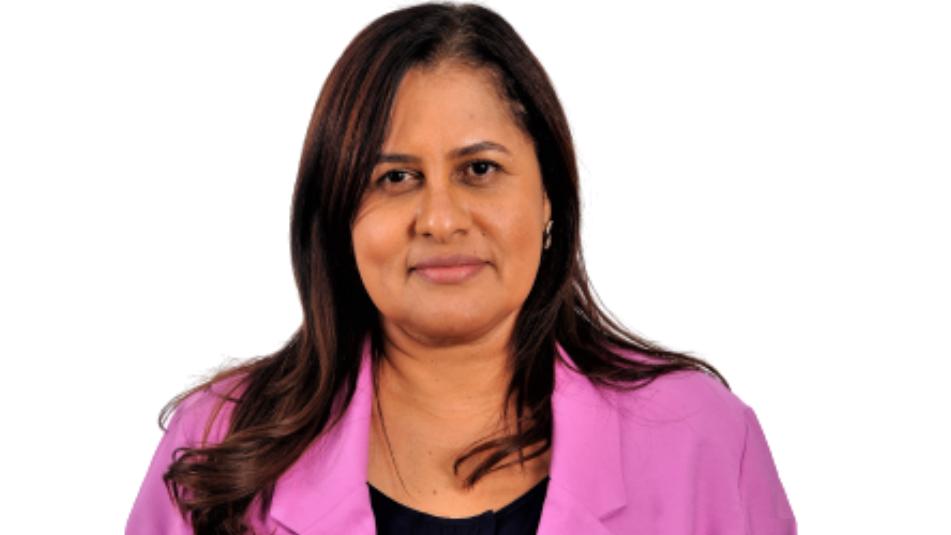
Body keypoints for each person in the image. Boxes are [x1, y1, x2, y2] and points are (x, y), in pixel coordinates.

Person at [126, 3, 797, 534]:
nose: (440, 220)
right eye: (395, 177)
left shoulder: (703, 438)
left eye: (479, 169)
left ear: (548, 198)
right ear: (337, 214)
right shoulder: (220, 443)